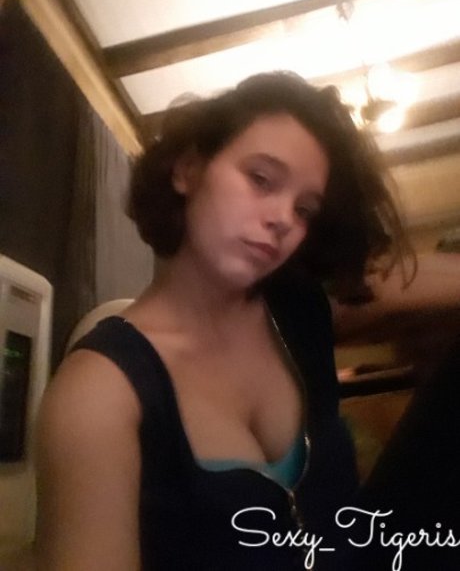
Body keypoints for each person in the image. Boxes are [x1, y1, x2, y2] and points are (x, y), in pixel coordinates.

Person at [34, 72, 460, 570]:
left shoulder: (297, 308)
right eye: (261, 179)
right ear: (188, 169)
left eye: (305, 209)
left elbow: (419, 278)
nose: (283, 219)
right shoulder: (99, 393)